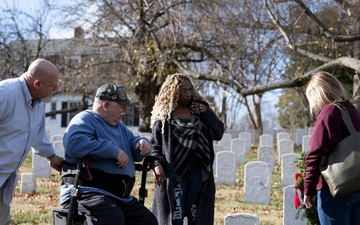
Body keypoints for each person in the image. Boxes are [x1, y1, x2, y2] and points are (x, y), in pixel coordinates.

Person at [60, 83, 158, 225]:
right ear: (106, 105)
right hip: (89, 192)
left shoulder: (120, 126)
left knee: (147, 221)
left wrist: (141, 144)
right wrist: (112, 151)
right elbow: (74, 143)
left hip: (120, 197)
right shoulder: (85, 119)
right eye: (121, 106)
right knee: (111, 218)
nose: (125, 110)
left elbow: (133, 144)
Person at [150, 74, 225, 225]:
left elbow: (218, 133)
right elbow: (155, 146)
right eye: (183, 90)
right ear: (172, 92)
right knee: (174, 217)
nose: (188, 93)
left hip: (198, 171)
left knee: (196, 215)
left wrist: (206, 112)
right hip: (174, 173)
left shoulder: (199, 112)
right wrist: (156, 165)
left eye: (190, 89)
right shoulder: (164, 119)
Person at [0, 58, 64, 225]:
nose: (56, 88)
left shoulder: (38, 102)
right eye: (52, 85)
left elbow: (37, 134)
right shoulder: (5, 94)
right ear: (37, 84)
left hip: (6, 177)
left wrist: (52, 157)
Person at [303, 71, 360, 224]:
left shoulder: (329, 112)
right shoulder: (353, 110)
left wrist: (308, 189)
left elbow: (316, 153)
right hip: (357, 186)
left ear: (318, 93)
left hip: (336, 192)